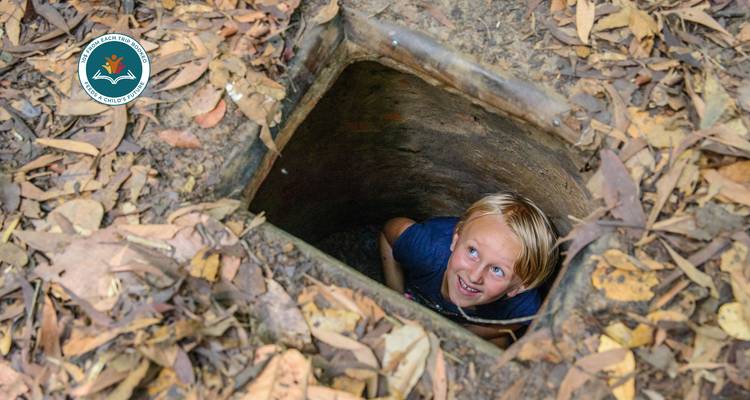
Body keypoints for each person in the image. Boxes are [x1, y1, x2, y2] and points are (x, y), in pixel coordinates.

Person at [379, 192, 558, 347]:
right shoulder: (427, 250)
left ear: (518, 288)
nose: (474, 276)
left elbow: (518, 321)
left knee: (500, 342)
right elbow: (389, 231)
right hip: (415, 294)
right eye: (472, 252)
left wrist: (454, 334)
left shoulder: (522, 305)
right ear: (456, 240)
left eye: (497, 270)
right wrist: (395, 294)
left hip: (464, 322)